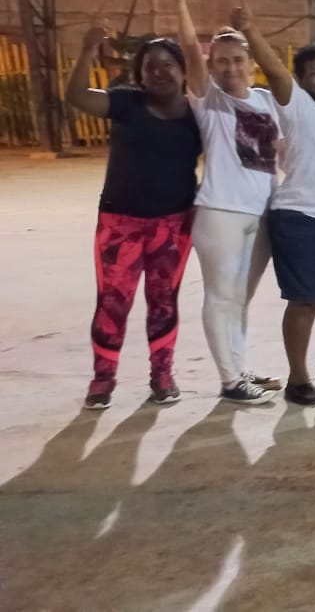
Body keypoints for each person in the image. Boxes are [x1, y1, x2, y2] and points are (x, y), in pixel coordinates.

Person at [68, 27, 202, 409]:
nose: (159, 72)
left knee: (163, 301)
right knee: (113, 302)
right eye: (150, 66)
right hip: (120, 224)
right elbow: (77, 96)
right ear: (140, 74)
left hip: (174, 224)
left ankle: (163, 375)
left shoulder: (198, 113)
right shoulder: (126, 102)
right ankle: (103, 379)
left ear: (183, 70)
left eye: (168, 65)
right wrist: (87, 49)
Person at [235, 9, 315, 407]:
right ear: (301, 79)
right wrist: (249, 28)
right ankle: (298, 378)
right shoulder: (296, 103)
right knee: (305, 300)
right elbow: (274, 69)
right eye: (314, 73)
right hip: (300, 217)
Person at [172, 0, 283, 405]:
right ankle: (230, 381)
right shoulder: (209, 99)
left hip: (261, 212)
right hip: (220, 211)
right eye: (221, 61)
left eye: (238, 59)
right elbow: (188, 50)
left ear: (250, 62)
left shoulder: (266, 100)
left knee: (242, 297)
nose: (230, 67)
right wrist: (181, 2)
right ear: (212, 65)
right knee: (221, 296)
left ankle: (239, 366)